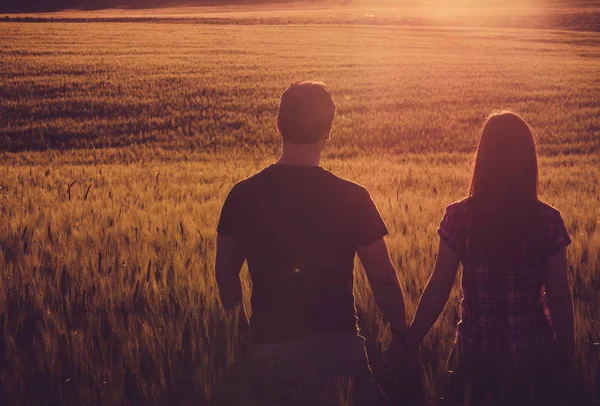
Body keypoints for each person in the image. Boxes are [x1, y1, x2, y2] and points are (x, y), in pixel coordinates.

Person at [215, 81, 408, 405]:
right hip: (339, 349)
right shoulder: (353, 197)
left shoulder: (242, 194)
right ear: (329, 130)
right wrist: (402, 335)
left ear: (278, 125)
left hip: (269, 347)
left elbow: (224, 273)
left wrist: (243, 333)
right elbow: (384, 278)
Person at [398, 111, 575, 406]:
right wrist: (569, 359)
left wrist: (411, 340)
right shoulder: (549, 220)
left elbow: (439, 286)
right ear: (528, 161)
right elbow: (559, 297)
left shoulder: (459, 217)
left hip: (477, 352)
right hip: (535, 352)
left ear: (483, 159)